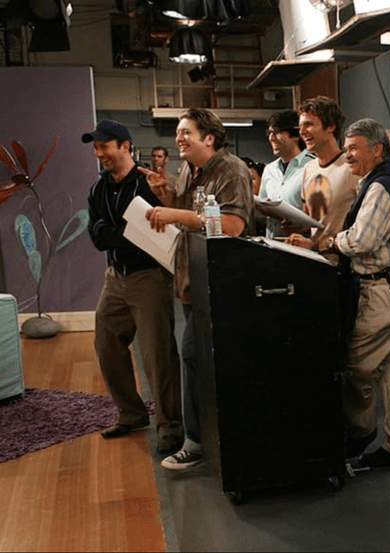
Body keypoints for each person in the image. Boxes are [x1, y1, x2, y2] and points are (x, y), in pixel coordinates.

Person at [142, 108, 253, 471]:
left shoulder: (231, 169)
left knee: (194, 356)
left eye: (187, 131)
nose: (179, 138)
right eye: (177, 132)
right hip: (194, 282)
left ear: (210, 137)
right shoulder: (189, 170)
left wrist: (174, 214)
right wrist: (167, 198)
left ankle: (195, 442)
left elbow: (233, 224)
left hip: (222, 284)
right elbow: (191, 215)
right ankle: (207, 436)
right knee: (197, 358)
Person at [319, 118, 390, 469]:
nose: (347, 156)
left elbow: (363, 241)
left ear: (376, 150)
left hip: (387, 287)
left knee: (355, 364)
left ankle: (360, 431)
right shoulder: (386, 182)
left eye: (353, 149)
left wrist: (330, 241)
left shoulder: (380, 187)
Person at [84, 120, 183, 456]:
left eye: (105, 147)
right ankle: (131, 412)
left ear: (125, 146)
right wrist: (120, 233)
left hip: (149, 277)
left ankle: (171, 427)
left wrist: (113, 232)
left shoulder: (146, 184)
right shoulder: (98, 189)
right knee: (106, 342)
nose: (100, 154)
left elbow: (151, 236)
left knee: (157, 355)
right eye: (96, 148)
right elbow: (97, 237)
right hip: (115, 276)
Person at [284, 96, 358, 261]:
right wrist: (297, 227)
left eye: (309, 124)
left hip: (346, 265)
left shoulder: (353, 168)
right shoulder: (309, 169)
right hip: (316, 262)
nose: (302, 132)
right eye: (300, 126)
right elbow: (312, 218)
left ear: (330, 126)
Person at [257, 110, 315, 238]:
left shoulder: (313, 166)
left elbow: (322, 214)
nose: (271, 138)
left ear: (295, 135)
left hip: (301, 245)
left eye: (277, 132)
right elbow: (261, 205)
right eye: (269, 133)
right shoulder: (269, 169)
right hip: (273, 243)